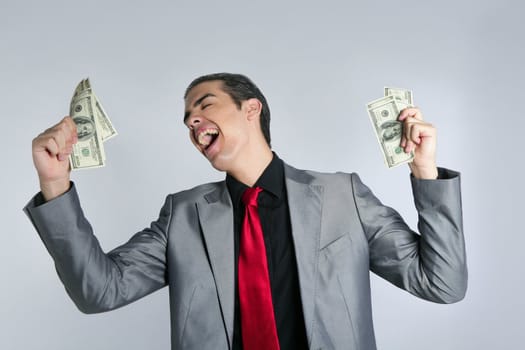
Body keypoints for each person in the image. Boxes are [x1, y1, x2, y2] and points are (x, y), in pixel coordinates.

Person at [24, 73, 467, 350]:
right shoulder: (183, 215)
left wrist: (425, 171)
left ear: (251, 108)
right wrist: (54, 182)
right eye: (187, 119)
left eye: (204, 105)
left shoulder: (342, 195)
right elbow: (98, 292)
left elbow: (442, 284)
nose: (192, 121)